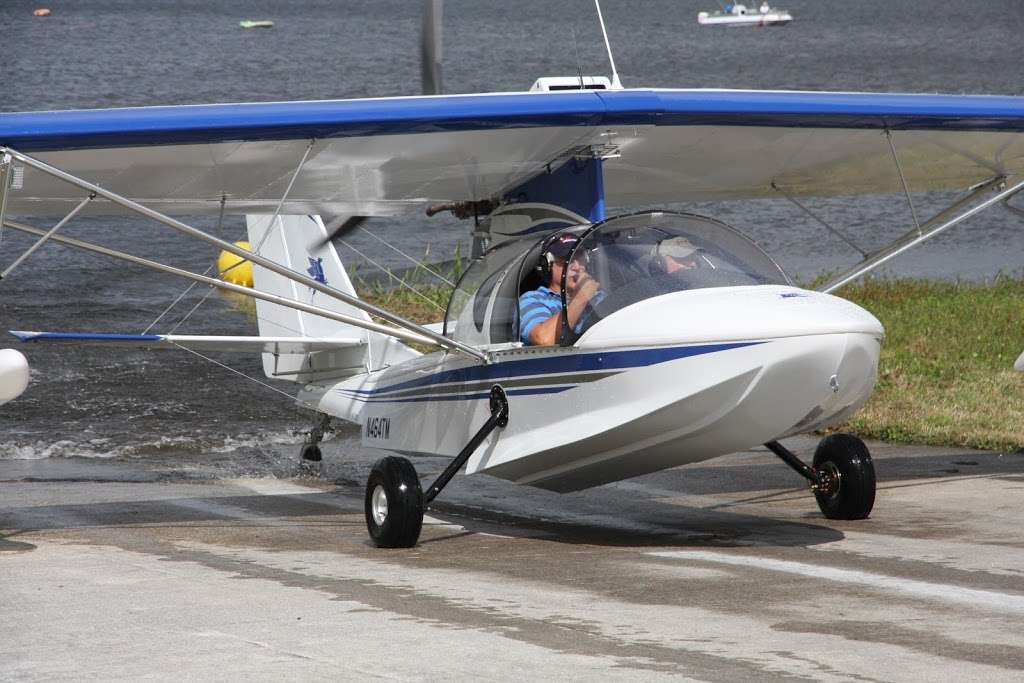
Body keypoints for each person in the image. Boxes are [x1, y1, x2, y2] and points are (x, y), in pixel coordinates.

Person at [519, 234, 602, 346]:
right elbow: (544, 339)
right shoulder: (532, 300)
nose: (577, 267)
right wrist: (581, 298)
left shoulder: (599, 298)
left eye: (580, 259)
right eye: (567, 260)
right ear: (548, 266)